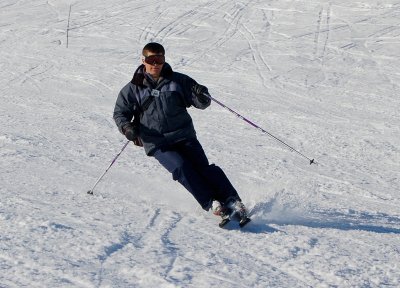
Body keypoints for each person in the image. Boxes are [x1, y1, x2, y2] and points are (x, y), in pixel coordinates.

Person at [113, 42, 247, 221]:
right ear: (143, 60)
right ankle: (212, 202)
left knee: (203, 169)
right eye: (151, 59)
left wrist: (202, 94)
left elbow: (201, 102)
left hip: (183, 134)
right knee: (181, 168)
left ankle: (232, 200)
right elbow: (120, 113)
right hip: (156, 141)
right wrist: (127, 128)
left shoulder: (179, 81)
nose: (155, 64)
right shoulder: (132, 89)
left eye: (159, 59)